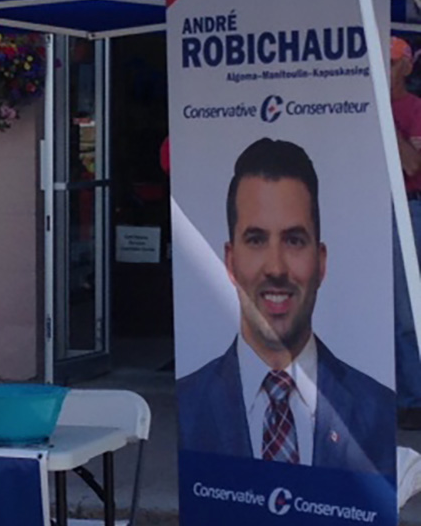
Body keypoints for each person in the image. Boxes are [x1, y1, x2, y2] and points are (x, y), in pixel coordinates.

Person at [177, 137, 395, 475]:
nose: (276, 268)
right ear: (230, 261)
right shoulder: (188, 407)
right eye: (256, 240)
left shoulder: (376, 408)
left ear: (320, 262)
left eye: (294, 240)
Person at [390, 36, 421, 429]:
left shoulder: (414, 109)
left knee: (404, 310)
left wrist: (383, 115)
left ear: (408, 67)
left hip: (404, 209)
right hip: (361, 207)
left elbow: (412, 165)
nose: (383, 67)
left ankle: (412, 398)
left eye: (391, 61)